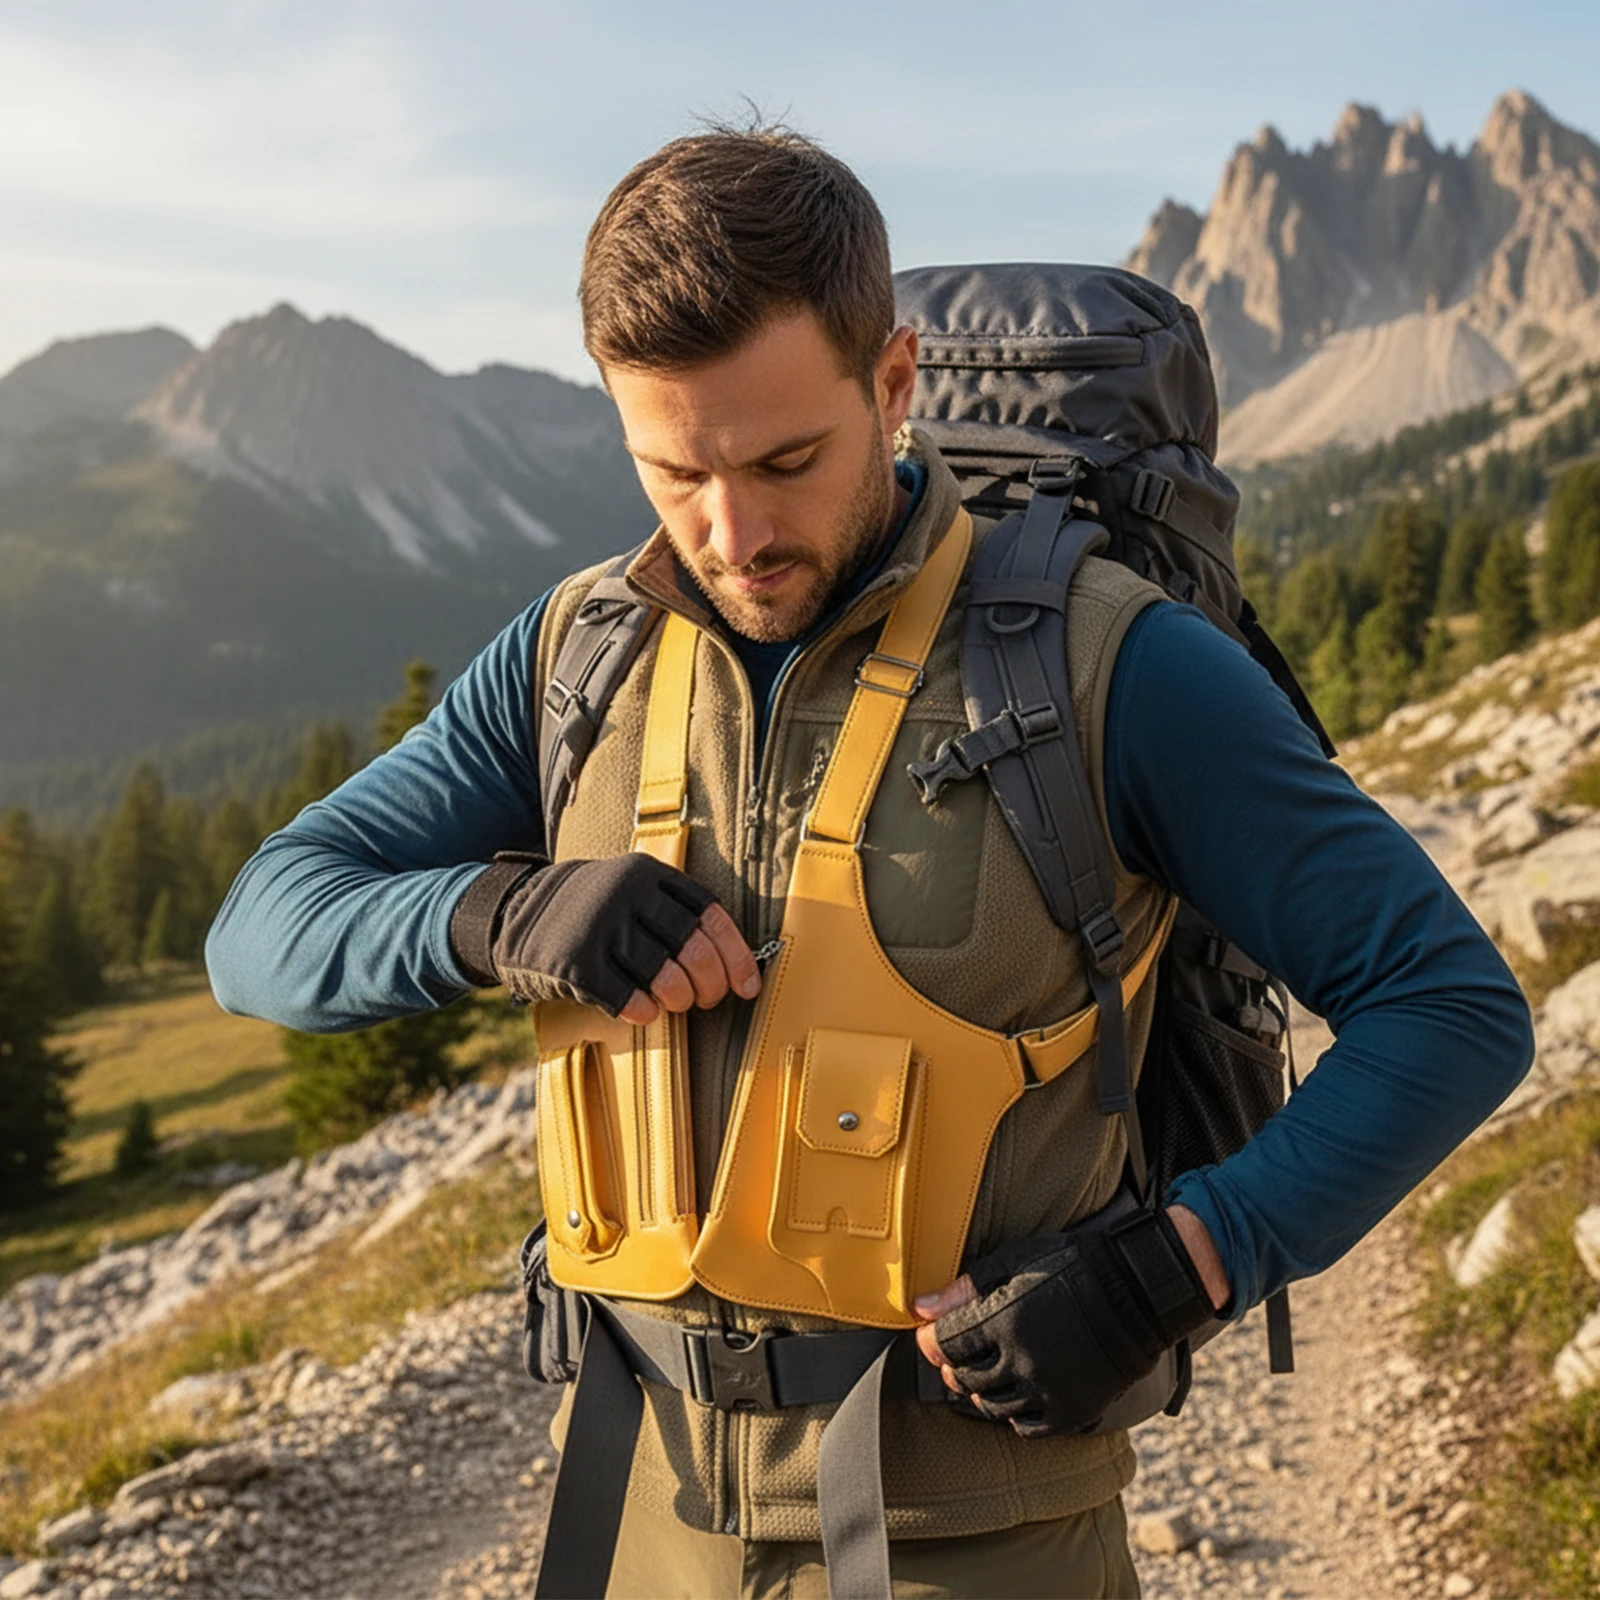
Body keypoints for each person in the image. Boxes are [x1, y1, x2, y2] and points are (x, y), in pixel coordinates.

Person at [207, 124, 1535, 1599]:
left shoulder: (1112, 668)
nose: (735, 533)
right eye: (674, 471)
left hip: (983, 1539)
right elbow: (260, 929)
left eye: (789, 460)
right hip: (647, 1511)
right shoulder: (576, 657)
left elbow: (1447, 1002)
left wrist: (1184, 1263)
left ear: (894, 383)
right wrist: (496, 909)